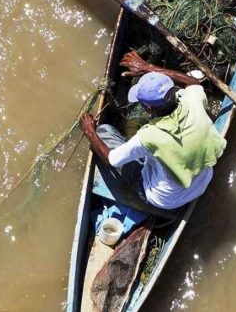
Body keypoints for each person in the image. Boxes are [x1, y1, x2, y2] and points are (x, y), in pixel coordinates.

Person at [80, 51, 226, 210]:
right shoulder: (192, 100)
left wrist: (89, 131)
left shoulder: (148, 135)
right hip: (202, 182)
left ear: (148, 108)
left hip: (166, 200)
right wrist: (147, 67)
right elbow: (192, 81)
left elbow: (112, 159)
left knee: (104, 131)